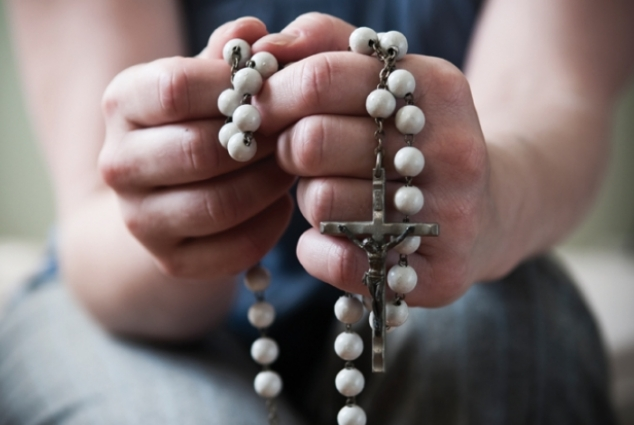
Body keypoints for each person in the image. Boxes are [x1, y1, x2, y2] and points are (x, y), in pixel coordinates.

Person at [1, 0, 632, 423]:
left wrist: (487, 202)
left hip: (447, 282)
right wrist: (183, 216)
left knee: (501, 338)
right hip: (123, 300)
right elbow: (93, 212)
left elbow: (552, 97)